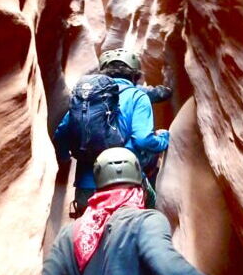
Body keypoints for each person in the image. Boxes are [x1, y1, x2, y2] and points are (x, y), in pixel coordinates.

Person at [25, 148, 242, 275]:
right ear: (138, 181)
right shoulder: (146, 222)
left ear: (98, 184)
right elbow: (170, 269)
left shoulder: (71, 234)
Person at [54, 49, 170, 216]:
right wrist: (163, 140)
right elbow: (143, 139)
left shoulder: (87, 99)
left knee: (87, 236)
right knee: (148, 214)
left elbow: (61, 134)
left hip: (87, 187)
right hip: (127, 185)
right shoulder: (138, 97)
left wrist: (65, 157)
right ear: (135, 75)